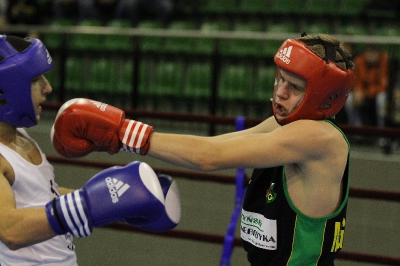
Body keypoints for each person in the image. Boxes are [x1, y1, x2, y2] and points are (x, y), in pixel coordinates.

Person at [52, 33, 354, 265]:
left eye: (295, 87)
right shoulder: (286, 125)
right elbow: (219, 144)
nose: (281, 92)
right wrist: (123, 136)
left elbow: (209, 158)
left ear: (324, 98)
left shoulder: (319, 138)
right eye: (281, 80)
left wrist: (124, 133)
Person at [0, 35, 180, 265]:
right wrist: (88, 204)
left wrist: (115, 203)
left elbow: (43, 196)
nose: (48, 87)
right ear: (6, 89)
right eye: (36, 79)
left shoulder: (20, 136)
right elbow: (10, 231)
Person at [344, 44, 389, 129]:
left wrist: (365, 93)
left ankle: (382, 131)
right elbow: (356, 80)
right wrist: (357, 91)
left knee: (382, 99)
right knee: (349, 99)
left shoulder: (384, 60)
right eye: (369, 51)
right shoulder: (360, 60)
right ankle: (357, 130)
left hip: (377, 93)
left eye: (374, 51)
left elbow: (383, 85)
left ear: (379, 52)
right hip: (363, 94)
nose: (371, 54)